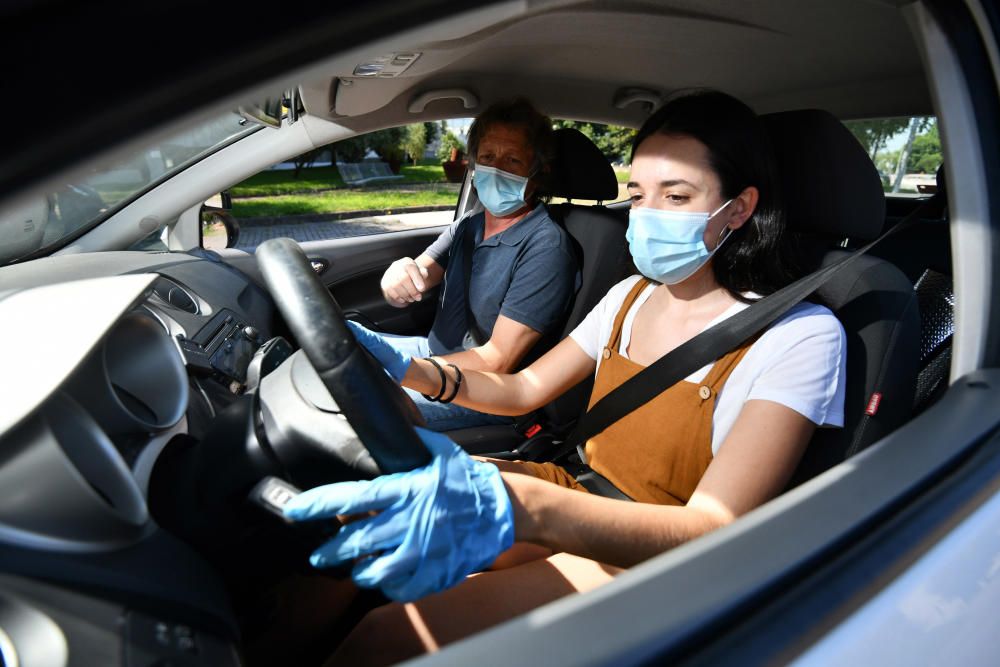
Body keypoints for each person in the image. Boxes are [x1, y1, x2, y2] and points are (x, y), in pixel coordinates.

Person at [285, 89, 847, 665]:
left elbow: (711, 526)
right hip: (574, 486)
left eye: (675, 196)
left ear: (738, 208)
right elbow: (523, 388)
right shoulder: (630, 296)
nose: (647, 214)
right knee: (356, 527)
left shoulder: (798, 335)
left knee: (391, 635)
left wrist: (525, 505)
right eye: (638, 194)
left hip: (655, 556)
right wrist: (415, 370)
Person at [353, 97, 580, 431]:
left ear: (538, 170)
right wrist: (396, 277)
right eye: (487, 157)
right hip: (432, 355)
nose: (497, 169)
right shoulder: (469, 225)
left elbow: (497, 360)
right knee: (342, 345)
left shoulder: (547, 247)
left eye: (512, 159)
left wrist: (409, 372)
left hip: (483, 391)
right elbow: (418, 274)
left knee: (352, 401)